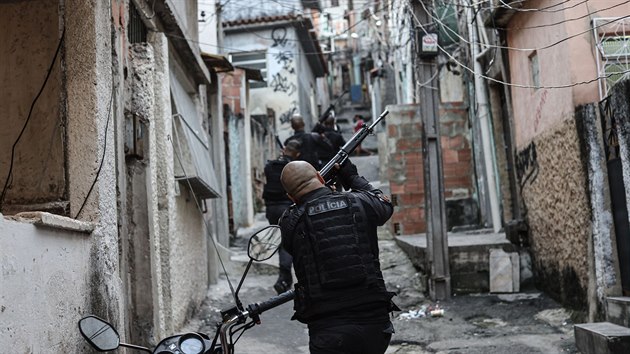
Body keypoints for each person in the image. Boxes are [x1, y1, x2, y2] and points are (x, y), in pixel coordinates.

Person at [279, 160, 397, 354]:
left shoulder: (289, 222)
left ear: (291, 196)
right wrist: (352, 178)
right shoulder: (359, 201)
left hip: (328, 332)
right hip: (375, 326)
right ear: (319, 177)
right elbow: (385, 204)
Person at [263, 140, 301, 294]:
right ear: (297, 154)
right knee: (289, 243)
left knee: (282, 241)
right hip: (287, 208)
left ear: (284, 149)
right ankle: (284, 279)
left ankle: (285, 279)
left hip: (271, 209)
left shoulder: (270, 166)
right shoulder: (295, 167)